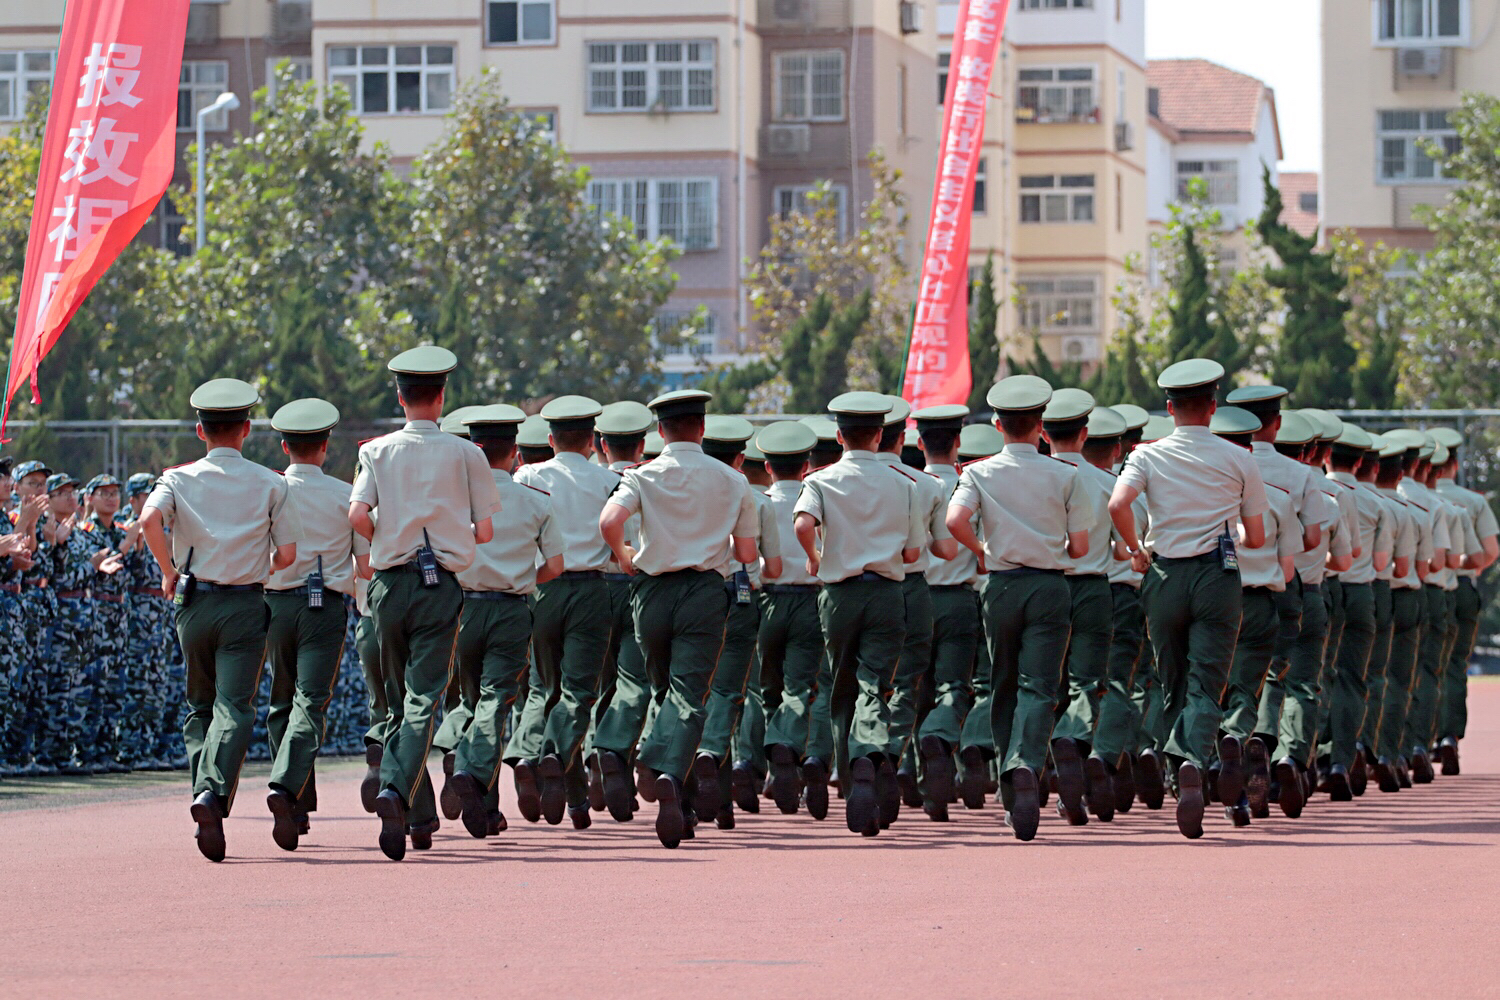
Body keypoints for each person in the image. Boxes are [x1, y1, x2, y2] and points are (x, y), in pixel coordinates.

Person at [137, 378, 303, 862]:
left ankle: (204, 793)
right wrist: (255, 565)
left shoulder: (177, 478)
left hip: (194, 602)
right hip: (245, 604)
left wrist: (168, 572)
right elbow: (288, 554)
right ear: (247, 429)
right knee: (236, 706)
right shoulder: (272, 482)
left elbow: (149, 521)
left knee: (199, 706)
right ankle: (211, 793)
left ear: (199, 429)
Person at [349, 347, 502, 861]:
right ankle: (396, 790)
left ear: (399, 396)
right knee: (424, 699)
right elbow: (484, 529)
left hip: (389, 581)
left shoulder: (377, 450)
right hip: (441, 586)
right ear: (441, 397)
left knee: (395, 700)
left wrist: (390, 534)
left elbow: (357, 515)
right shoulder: (467, 454)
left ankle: (416, 815)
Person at [1109, 359, 1268, 839]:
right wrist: (1233, 530)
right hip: (1218, 577)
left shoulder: (1146, 455)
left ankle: (1182, 765)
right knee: (1206, 682)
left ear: (1169, 408)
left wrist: (1135, 550)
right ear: (1214, 408)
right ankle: (1190, 759)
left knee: (1172, 677)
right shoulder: (1240, 458)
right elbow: (1256, 537)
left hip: (1163, 573)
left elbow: (1118, 505)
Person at [597, 389, 759, 849]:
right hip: (705, 593)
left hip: (651, 592)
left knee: (663, 689)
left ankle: (681, 797)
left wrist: (625, 555)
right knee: (690, 696)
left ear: (660, 432)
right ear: (702, 429)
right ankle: (668, 772)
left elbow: (609, 520)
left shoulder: (644, 475)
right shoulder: (732, 480)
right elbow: (746, 553)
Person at [946, 377, 1092, 841]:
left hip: (1001, 585)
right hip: (1050, 587)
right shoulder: (1066, 475)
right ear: (1041, 427)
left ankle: (1013, 791)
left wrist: (983, 549)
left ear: (996, 425)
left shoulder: (978, 472)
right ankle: (1025, 762)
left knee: (1003, 681)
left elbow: (954, 521)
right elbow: (1082, 546)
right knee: (1040, 686)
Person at [793, 391, 921, 838]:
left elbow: (803, 524)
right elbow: (912, 550)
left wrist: (816, 556)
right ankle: (870, 754)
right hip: (887, 593)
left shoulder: (821, 480)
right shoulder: (905, 483)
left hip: (839, 593)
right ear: (881, 436)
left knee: (841, 682)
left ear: (838, 435)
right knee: (875, 680)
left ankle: (853, 772)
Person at [448, 405, 564, 836]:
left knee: (470, 700)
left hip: (462, 607)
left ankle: (485, 801)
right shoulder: (534, 500)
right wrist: (522, 579)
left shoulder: (453, 501)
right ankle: (470, 770)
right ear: (515, 452)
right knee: (497, 700)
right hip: (513, 608)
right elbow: (555, 564)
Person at [261, 398, 370, 851]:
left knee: (280, 700)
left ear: (284, 446)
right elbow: (365, 565)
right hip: (324, 604)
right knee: (311, 701)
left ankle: (297, 803)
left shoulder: (268, 488)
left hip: (274, 603)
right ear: (325, 447)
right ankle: (287, 787)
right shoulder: (346, 493)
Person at [505, 395, 618, 827]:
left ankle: (528, 756)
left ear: (550, 440)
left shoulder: (530, 474)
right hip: (590, 589)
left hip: (542, 587)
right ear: (592, 440)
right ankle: (551, 756)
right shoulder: (608, 480)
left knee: (540, 689)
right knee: (578, 693)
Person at [1224, 387, 1327, 817]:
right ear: (1277, 423)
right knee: (1287, 677)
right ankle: (1278, 748)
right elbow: (1313, 538)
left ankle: (1231, 758)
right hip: (1284, 585)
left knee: (1226, 681)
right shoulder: (1301, 474)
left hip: (1222, 587)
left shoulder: (1221, 467)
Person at [1210, 407, 1299, 824]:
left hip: (1210, 598)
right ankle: (1235, 740)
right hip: (1259, 600)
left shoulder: (1202, 490)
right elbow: (1288, 568)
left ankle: (1204, 760)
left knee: (1204, 685)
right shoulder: (1278, 495)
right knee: (1247, 688)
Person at [697, 415, 781, 828]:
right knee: (736, 691)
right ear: (741, 457)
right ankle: (726, 761)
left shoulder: (684, 488)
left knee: (695, 690)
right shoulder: (753, 496)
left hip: (694, 597)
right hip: (741, 594)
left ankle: (705, 786)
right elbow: (764, 561)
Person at [873, 396, 955, 813]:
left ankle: (883, 758)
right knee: (941, 685)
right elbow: (943, 548)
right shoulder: (926, 486)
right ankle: (901, 757)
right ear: (903, 439)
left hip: (878, 592)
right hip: (931, 591)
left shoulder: (838, 479)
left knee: (885, 683)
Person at [1042, 389, 1119, 824]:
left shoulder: (1036, 477)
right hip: (1093, 588)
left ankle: (1037, 774)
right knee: (1088, 681)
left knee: (1041, 685)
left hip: (1046, 586)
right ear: (1085, 433)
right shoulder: (1108, 482)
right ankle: (1074, 738)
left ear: (1042, 433)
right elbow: (1130, 542)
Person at [755, 421, 828, 817]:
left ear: (767, 466)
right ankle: (803, 755)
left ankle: (777, 759)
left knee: (768, 688)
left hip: (767, 601)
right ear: (806, 465)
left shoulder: (757, 501)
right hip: (812, 600)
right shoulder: (818, 496)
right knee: (803, 687)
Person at [585, 400, 653, 819]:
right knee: (633, 682)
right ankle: (612, 754)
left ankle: (601, 767)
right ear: (643, 444)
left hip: (593, 587)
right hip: (636, 586)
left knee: (599, 683)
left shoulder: (588, 481)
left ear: (601, 445)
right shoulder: (650, 478)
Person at [910, 404, 977, 823]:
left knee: (915, 689)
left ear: (919, 445)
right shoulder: (974, 484)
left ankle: (915, 775)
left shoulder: (909, 485)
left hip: (914, 596)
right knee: (954, 686)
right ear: (959, 443)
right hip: (958, 598)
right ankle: (938, 742)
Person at [1318, 424, 1391, 800]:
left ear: (1327, 456)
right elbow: (1372, 559)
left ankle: (1309, 755)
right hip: (1361, 592)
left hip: (1321, 586)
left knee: (1314, 676)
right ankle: (1340, 761)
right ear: (1363, 462)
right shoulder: (1376, 503)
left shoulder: (1315, 488)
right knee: (1352, 679)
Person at [1095, 405, 1154, 812]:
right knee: (1128, 680)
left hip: (1076, 594)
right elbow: (1131, 548)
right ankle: (1119, 754)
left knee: (1079, 684)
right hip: (1128, 595)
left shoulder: (1068, 482)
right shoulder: (1138, 492)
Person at [1431, 428, 1498, 772]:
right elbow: (1489, 552)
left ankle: (1414, 740)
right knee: (1455, 665)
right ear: (1454, 465)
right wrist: (1463, 565)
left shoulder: (1406, 496)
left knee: (1421, 665)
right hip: (1460, 587)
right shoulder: (1472, 501)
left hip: (1421, 587)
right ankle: (1448, 737)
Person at [952, 421, 1005, 807]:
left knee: (947, 685)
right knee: (1004, 683)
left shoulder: (922, 485)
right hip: (989, 593)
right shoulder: (999, 483)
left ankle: (966, 747)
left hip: (947, 597)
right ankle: (1001, 763)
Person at [78, 475, 134, 771]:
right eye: (104, 493)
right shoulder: (87, 531)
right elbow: (102, 566)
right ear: (90, 498)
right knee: (94, 682)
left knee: (116, 684)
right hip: (96, 612)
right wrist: (125, 545)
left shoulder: (123, 529)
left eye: (115, 492)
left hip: (119, 616)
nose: (112, 498)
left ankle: (107, 752)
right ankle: (86, 751)